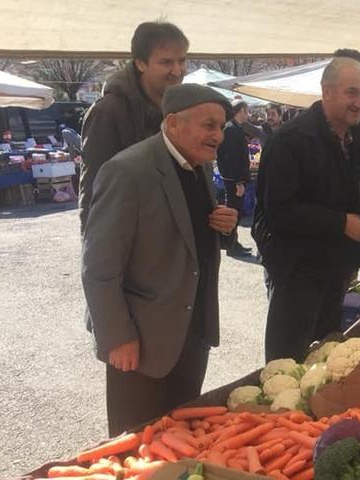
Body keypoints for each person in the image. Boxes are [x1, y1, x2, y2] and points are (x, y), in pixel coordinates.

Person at [82, 84, 237, 435]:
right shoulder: (127, 170)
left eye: (222, 127)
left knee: (180, 436)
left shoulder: (197, 166)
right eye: (209, 125)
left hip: (192, 336)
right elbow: (98, 267)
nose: (218, 136)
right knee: (135, 443)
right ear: (173, 122)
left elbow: (188, 236)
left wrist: (223, 227)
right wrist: (117, 336)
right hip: (140, 343)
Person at [253, 51, 360, 363]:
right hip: (297, 269)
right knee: (286, 362)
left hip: (338, 267)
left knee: (325, 355)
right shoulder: (291, 140)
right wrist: (342, 223)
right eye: (351, 92)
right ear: (327, 91)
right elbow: (279, 210)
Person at [79, 21, 188, 234]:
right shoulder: (109, 111)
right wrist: (99, 257)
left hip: (174, 240)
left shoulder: (180, 108)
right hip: (131, 239)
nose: (177, 71)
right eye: (166, 62)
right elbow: (93, 191)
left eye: (182, 60)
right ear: (140, 64)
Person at [216, 100, 253, 257]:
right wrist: (238, 182)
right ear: (241, 111)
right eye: (247, 111)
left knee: (236, 212)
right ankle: (231, 245)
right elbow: (231, 158)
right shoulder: (231, 130)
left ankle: (233, 242)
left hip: (235, 178)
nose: (248, 114)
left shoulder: (235, 128)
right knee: (233, 212)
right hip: (233, 180)